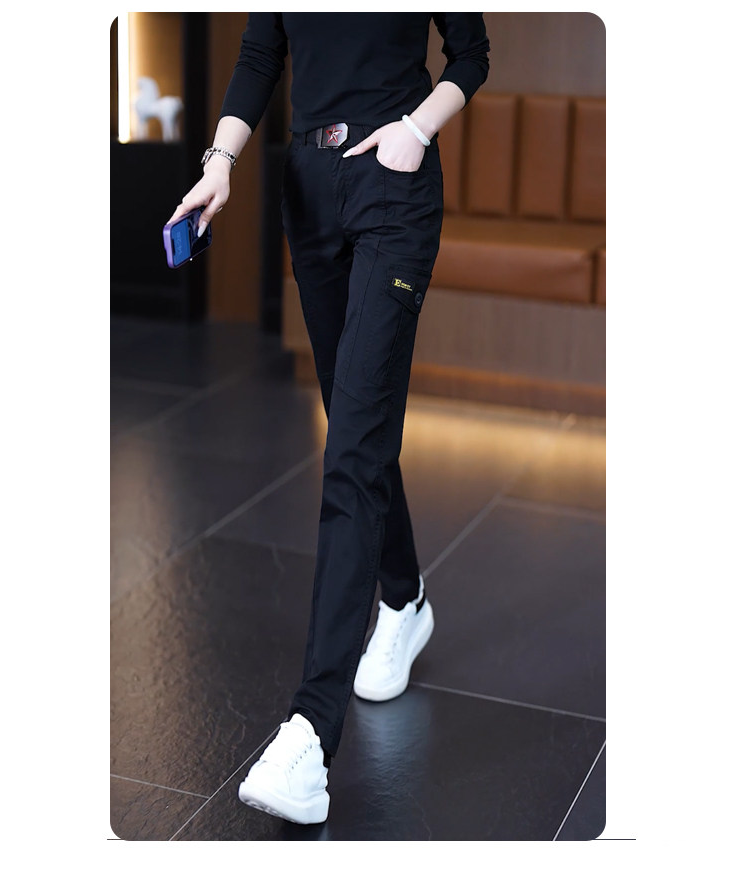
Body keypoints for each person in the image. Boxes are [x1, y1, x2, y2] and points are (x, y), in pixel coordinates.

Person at [168, 12, 489, 826]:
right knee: (355, 426)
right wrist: (220, 162)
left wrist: (416, 130)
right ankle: (404, 597)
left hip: (392, 184)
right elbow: (260, 53)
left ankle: (310, 731)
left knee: (350, 450)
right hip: (307, 191)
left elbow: (471, 55)